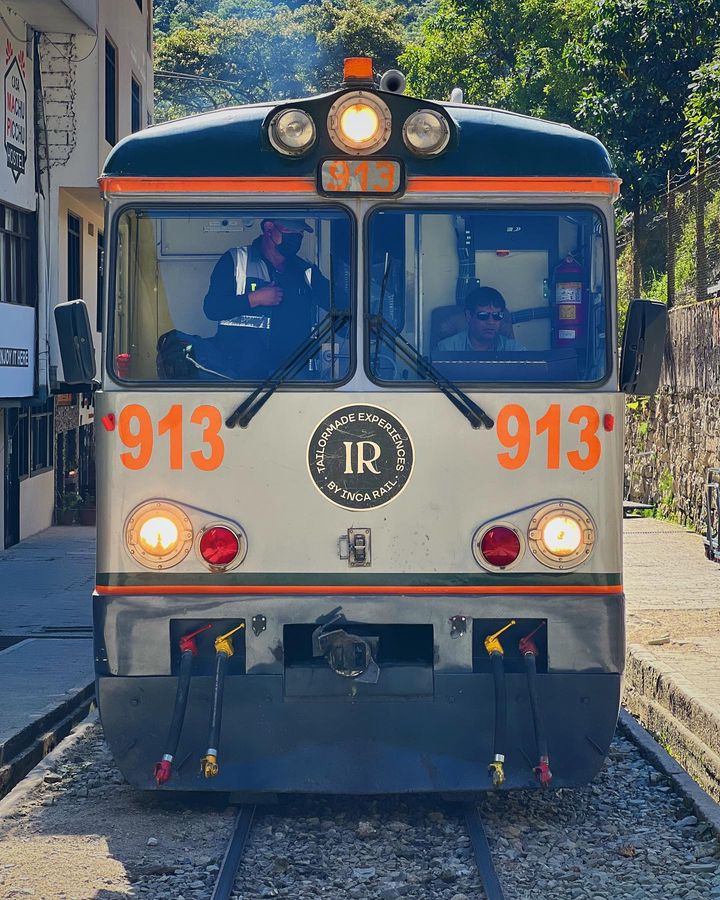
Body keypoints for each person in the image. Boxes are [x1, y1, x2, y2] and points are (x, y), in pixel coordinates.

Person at [202, 218, 329, 378]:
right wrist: (254, 299)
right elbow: (212, 309)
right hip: (241, 375)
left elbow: (339, 304)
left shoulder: (305, 271)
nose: (296, 237)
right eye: (290, 231)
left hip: (294, 378)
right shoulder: (236, 261)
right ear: (269, 228)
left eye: (300, 233)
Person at [435, 286, 525, 353]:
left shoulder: (514, 350)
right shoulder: (447, 349)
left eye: (497, 316)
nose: (491, 322)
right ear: (469, 316)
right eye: (483, 316)